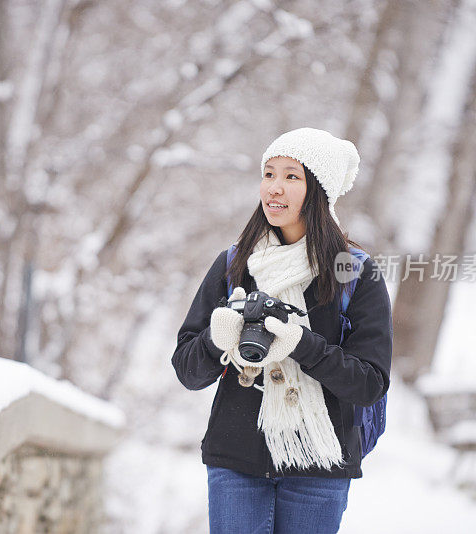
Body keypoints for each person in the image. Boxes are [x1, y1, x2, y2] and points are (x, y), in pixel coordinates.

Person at [171, 127, 393, 534]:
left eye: (292, 176)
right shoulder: (235, 264)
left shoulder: (355, 272)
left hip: (318, 465)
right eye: (269, 173)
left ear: (319, 190)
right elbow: (187, 371)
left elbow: (369, 383)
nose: (274, 187)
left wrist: (302, 345)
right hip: (237, 461)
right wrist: (215, 340)